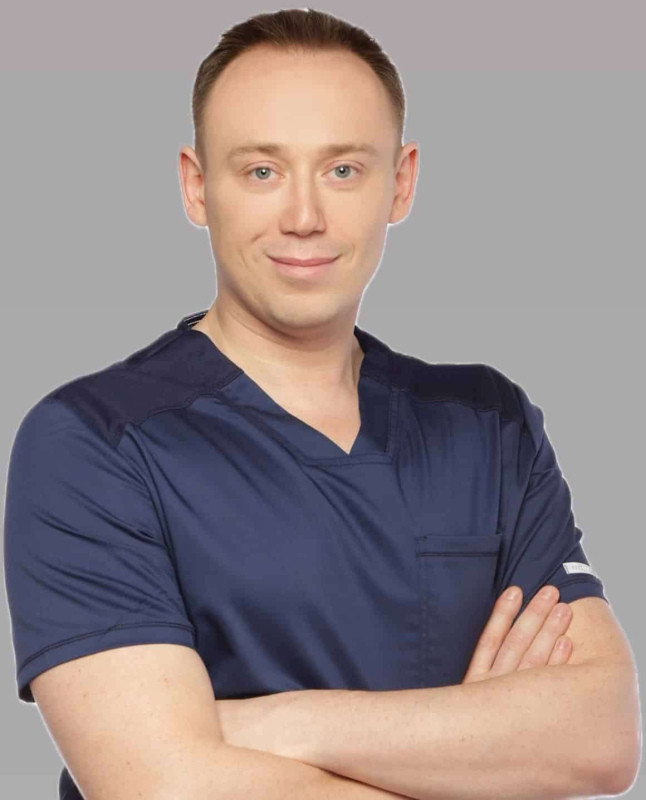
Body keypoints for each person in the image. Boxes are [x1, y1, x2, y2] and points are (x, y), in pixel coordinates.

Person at [4, 9, 636, 800]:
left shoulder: (488, 426)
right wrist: (478, 749)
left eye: (342, 170)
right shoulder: (95, 443)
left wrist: (269, 724)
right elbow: (161, 787)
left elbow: (602, 736)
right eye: (261, 172)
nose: (304, 218)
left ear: (400, 182)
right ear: (197, 187)